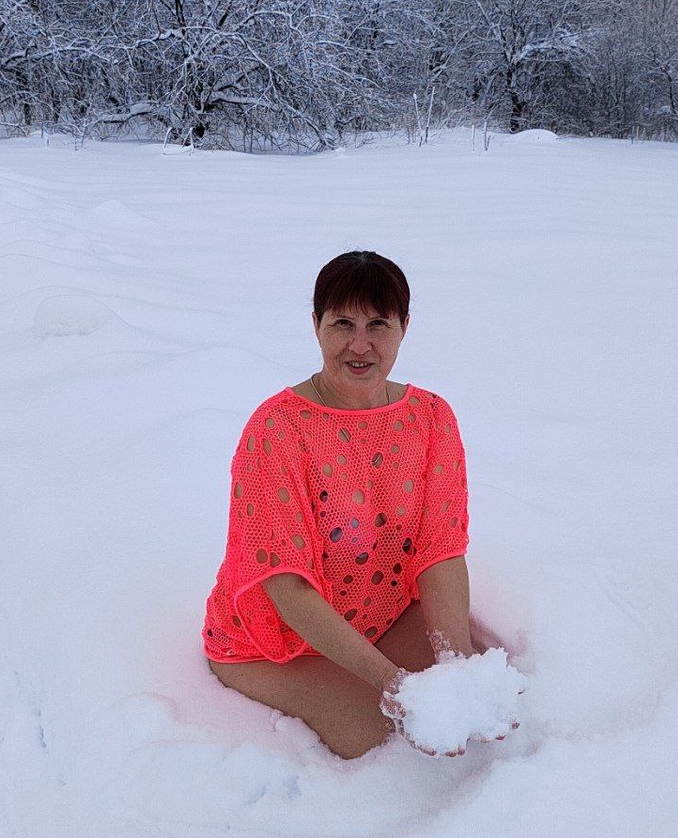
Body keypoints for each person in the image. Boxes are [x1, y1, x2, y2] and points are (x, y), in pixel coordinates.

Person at [203, 250, 480, 758]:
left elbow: (440, 551)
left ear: (404, 327)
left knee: (477, 692)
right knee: (379, 742)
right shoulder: (276, 431)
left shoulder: (431, 417)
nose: (360, 345)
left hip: (380, 614)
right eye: (343, 324)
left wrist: (460, 669)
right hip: (276, 643)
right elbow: (287, 588)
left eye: (378, 324)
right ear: (316, 325)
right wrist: (394, 684)